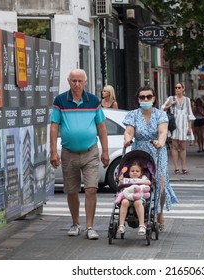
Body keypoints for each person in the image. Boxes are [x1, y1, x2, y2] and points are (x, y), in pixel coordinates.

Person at [50, 69, 110, 239]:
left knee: (91, 189)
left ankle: (90, 226)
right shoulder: (60, 100)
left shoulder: (93, 100)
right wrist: (53, 151)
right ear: (69, 81)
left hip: (90, 151)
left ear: (85, 82)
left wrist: (105, 151)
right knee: (71, 191)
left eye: (80, 81)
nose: (76, 84)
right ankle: (75, 223)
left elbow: (102, 126)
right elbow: (54, 126)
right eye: (73, 81)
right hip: (69, 153)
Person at [123, 86, 178, 231]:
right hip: (140, 152)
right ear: (138, 99)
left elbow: (163, 131)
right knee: (141, 183)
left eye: (149, 97)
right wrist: (127, 139)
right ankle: (143, 213)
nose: (146, 99)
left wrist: (160, 141)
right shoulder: (133, 115)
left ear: (153, 98)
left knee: (160, 184)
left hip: (157, 151)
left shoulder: (160, 114)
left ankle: (159, 214)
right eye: (142, 97)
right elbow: (129, 131)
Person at [162, 82, 195, 175]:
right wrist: (170, 105)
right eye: (176, 87)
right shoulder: (171, 98)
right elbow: (162, 108)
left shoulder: (187, 100)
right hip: (174, 125)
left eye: (179, 87)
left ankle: (184, 167)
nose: (177, 89)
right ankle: (176, 168)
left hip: (184, 125)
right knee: (175, 146)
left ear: (183, 89)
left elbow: (189, 114)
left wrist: (189, 127)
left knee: (183, 147)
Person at [116, 161, 151, 236]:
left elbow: (149, 182)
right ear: (129, 172)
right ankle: (121, 225)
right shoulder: (127, 179)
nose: (134, 172)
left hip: (139, 198)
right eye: (132, 171)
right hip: (127, 198)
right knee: (124, 202)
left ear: (141, 173)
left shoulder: (143, 178)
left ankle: (142, 225)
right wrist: (121, 180)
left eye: (137, 171)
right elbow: (121, 185)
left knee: (137, 202)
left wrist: (139, 181)